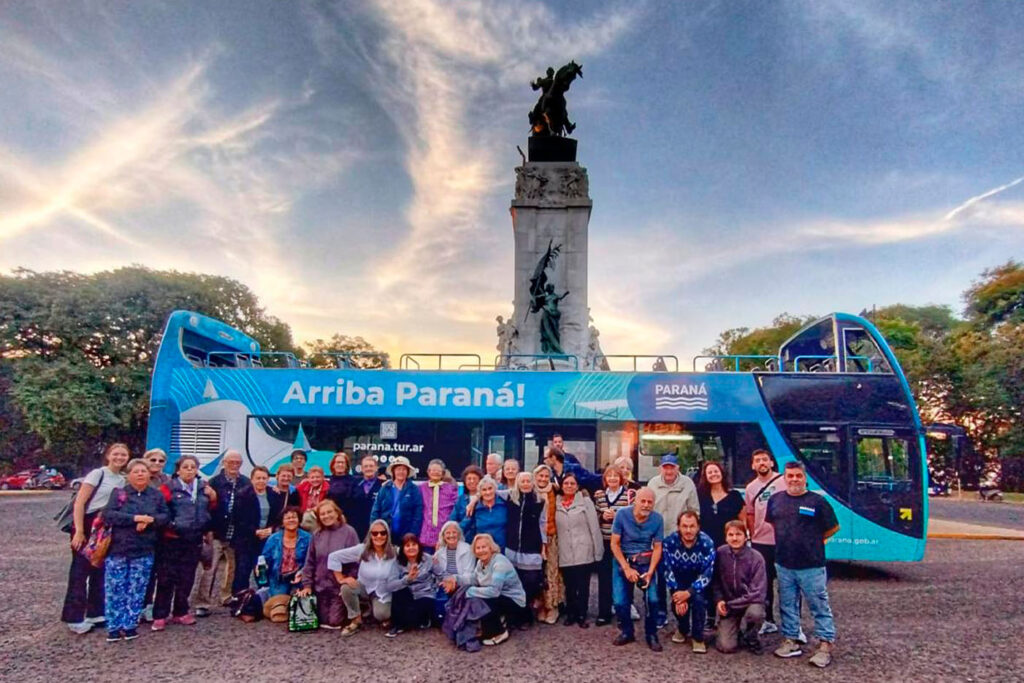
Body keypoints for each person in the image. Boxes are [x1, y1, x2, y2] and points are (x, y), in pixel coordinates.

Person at [768, 461, 840, 668]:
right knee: (787, 604)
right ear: (784, 478)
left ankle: (825, 645)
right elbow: (772, 523)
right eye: (790, 476)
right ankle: (791, 640)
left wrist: (812, 543)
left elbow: (832, 528)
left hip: (812, 565)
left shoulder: (818, 502)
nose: (794, 479)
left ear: (805, 478)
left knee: (818, 605)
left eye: (798, 476)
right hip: (784, 563)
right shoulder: (775, 500)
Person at [62, 442, 129, 634]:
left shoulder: (122, 480)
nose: (119, 458)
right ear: (108, 456)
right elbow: (80, 503)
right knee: (79, 571)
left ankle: (96, 612)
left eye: (123, 455)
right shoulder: (97, 474)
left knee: (99, 569)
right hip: (88, 523)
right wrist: (79, 531)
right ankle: (74, 617)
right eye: (116, 454)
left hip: (105, 526)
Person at [101, 458, 169, 641]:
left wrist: (150, 520)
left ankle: (130, 624)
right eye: (136, 471)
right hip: (118, 548)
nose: (140, 474)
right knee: (115, 588)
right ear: (128, 475)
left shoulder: (156, 495)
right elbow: (108, 515)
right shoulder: (119, 493)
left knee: (137, 588)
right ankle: (114, 626)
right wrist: (135, 519)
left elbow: (165, 516)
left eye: (143, 471)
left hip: (144, 549)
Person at [152, 456, 214, 631]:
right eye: (185, 467)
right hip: (172, 539)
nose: (189, 470)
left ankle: (181, 611)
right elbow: (160, 510)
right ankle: (160, 615)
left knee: (187, 577)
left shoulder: (203, 488)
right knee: (166, 578)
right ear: (178, 470)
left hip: (194, 538)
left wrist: (206, 525)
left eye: (193, 467)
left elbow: (210, 508)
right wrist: (172, 526)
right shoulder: (168, 487)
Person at [194, 450, 257, 616]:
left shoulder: (246, 482)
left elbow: (251, 508)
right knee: (210, 568)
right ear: (224, 463)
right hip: (216, 531)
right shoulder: (214, 482)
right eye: (231, 462)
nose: (234, 465)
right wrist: (206, 529)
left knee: (233, 568)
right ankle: (202, 603)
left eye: (238, 462)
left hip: (237, 532)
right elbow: (206, 506)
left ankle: (227, 596)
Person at [610, 487, 664, 651]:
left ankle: (651, 633)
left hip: (646, 560)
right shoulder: (622, 515)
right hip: (623, 559)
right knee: (620, 601)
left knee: (653, 600)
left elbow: (658, 547)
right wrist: (626, 568)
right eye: (643, 501)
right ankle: (627, 631)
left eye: (650, 502)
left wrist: (651, 571)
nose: (646, 505)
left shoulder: (657, 519)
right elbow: (614, 544)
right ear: (635, 501)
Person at [648, 454, 699, 626]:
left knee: (681, 576)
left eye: (672, 467)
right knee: (660, 577)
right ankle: (661, 611)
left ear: (678, 468)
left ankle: (682, 611)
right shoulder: (653, 483)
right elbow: (648, 510)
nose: (668, 471)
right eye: (665, 467)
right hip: (658, 538)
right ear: (660, 469)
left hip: (680, 539)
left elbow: (694, 511)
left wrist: (689, 533)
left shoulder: (688, 484)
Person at [328, 519, 401, 636]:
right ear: (370, 535)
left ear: (388, 535)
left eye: (383, 533)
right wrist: (341, 578)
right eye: (375, 533)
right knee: (346, 588)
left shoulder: (395, 552)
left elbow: (415, 555)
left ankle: (371, 609)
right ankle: (356, 620)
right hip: (364, 587)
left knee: (382, 615)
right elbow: (333, 557)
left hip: (383, 592)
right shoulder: (362, 549)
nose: (379, 536)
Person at [743, 448, 789, 635]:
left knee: (787, 583)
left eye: (764, 459)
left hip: (784, 541)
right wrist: (753, 535)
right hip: (761, 542)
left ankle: (792, 624)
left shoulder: (784, 481)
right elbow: (750, 514)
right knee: (765, 583)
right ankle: (768, 620)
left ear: (771, 462)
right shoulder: (750, 488)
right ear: (753, 465)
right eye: (757, 460)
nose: (761, 463)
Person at [296, 499, 359, 629]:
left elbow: (356, 561)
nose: (326, 516)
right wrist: (307, 585)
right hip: (320, 587)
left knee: (334, 621)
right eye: (322, 514)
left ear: (337, 513)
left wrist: (350, 579)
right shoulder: (317, 535)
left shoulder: (349, 532)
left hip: (338, 588)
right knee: (318, 620)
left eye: (329, 512)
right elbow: (310, 562)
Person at [662, 510, 715, 653]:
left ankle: (698, 637)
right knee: (677, 605)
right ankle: (683, 628)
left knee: (698, 602)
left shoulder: (707, 543)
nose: (688, 530)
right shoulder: (669, 542)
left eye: (692, 526)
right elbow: (667, 569)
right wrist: (678, 593)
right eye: (684, 526)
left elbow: (707, 573)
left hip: (698, 582)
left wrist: (689, 592)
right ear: (678, 527)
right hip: (678, 581)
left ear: (698, 527)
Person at [458, 534, 527, 646]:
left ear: (491, 548)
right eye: (478, 548)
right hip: (500, 596)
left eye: (484, 547)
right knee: (476, 595)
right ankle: (491, 625)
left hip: (515, 601)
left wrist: (470, 591)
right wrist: (455, 579)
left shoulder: (499, 563)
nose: (481, 550)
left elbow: (494, 592)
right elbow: (474, 579)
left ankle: (500, 632)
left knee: (483, 600)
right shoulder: (480, 562)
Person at [555, 472, 604, 628]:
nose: (569, 486)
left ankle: (582, 614)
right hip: (565, 550)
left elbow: (594, 527)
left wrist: (598, 551)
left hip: (583, 548)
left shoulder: (585, 502)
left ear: (577, 486)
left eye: (572, 483)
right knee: (569, 585)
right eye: (566, 483)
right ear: (561, 486)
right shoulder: (555, 502)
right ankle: (571, 613)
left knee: (583, 585)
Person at [713, 520, 767, 655]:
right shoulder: (720, 553)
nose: (735, 538)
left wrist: (731, 604)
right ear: (726, 537)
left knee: (756, 613)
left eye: (738, 534)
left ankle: (752, 636)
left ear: (746, 536)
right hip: (729, 604)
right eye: (730, 535)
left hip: (749, 602)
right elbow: (715, 581)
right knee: (726, 647)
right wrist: (719, 600)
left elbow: (758, 592)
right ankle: (734, 631)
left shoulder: (756, 558)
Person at [503, 470, 546, 625]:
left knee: (531, 582)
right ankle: (517, 615)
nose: (526, 484)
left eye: (528, 481)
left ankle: (526, 613)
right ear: (518, 483)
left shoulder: (540, 500)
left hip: (532, 547)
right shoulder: (510, 496)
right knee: (514, 582)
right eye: (523, 481)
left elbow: (542, 523)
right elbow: (488, 491)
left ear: (533, 483)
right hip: (513, 547)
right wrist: (474, 500)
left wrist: (544, 545)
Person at [593, 465, 634, 626]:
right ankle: (604, 612)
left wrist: (618, 516)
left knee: (624, 576)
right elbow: (594, 515)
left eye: (615, 476)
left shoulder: (628, 495)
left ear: (621, 478)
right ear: (605, 479)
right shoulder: (599, 495)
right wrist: (602, 515)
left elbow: (633, 517)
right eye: (609, 476)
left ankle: (624, 612)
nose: (612, 479)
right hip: (605, 541)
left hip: (622, 543)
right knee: (604, 577)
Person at [385, 533, 436, 637]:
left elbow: (442, 573)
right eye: (407, 545)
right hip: (408, 595)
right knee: (398, 591)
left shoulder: (429, 559)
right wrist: (407, 579)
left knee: (418, 611)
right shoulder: (397, 563)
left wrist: (448, 580)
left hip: (425, 594)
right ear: (402, 548)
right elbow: (390, 586)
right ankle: (398, 624)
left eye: (414, 544)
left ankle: (415, 620)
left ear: (419, 546)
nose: (411, 548)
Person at [532, 464, 563, 624]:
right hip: (534, 538)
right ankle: (541, 605)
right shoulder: (530, 491)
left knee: (551, 572)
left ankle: (552, 606)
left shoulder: (555, 490)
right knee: (537, 572)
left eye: (546, 476)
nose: (543, 479)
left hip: (551, 536)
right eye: (540, 476)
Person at [261, 507, 312, 597]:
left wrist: (302, 574)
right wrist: (260, 567)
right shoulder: (273, 539)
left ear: (299, 520)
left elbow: (311, 560)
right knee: (278, 603)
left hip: (300, 579)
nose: (291, 520)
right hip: (278, 579)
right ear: (282, 522)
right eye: (288, 518)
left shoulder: (308, 538)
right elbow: (265, 559)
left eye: (294, 517)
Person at [370, 456, 424, 539]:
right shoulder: (385, 488)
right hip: (385, 533)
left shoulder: (413, 489)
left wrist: (412, 533)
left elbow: (418, 513)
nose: (401, 472)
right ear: (393, 471)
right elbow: (376, 510)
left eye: (404, 469)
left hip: (406, 534)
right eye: (398, 469)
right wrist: (375, 529)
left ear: (408, 472)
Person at [697, 461, 744, 548]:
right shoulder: (700, 496)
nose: (713, 474)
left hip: (730, 544)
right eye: (710, 472)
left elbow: (743, 521)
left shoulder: (735, 496)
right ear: (705, 476)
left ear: (722, 473)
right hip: (705, 544)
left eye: (716, 471)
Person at [340, 454, 383, 539]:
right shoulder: (354, 484)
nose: (368, 468)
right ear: (362, 469)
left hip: (376, 528)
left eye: (371, 466)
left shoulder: (383, 485)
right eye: (366, 466)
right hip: (356, 527)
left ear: (376, 468)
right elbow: (348, 504)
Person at [419, 459, 458, 551]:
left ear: (443, 473)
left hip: (445, 534)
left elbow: (455, 509)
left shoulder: (451, 489)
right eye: (433, 470)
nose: (435, 473)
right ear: (428, 472)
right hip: (425, 535)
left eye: (438, 470)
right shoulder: (421, 488)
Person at [460, 476, 508, 550]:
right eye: (484, 490)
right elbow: (464, 525)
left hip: (503, 548)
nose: (488, 492)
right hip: (482, 550)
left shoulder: (504, 504)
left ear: (495, 489)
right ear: (480, 492)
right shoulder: (475, 507)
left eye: (490, 488)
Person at [251, 466, 284, 550]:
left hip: (269, 537)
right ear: (252, 480)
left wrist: (271, 529)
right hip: (248, 539)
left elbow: (279, 518)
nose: (261, 481)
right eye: (258, 478)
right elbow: (240, 520)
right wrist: (255, 532)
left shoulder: (275, 494)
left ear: (268, 479)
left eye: (264, 478)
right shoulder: (242, 495)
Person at [296, 466, 328, 530]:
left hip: (320, 517)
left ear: (323, 477)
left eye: (318, 477)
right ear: (308, 478)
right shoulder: (302, 486)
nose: (315, 480)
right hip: (304, 517)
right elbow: (291, 490)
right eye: (312, 477)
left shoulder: (328, 489)